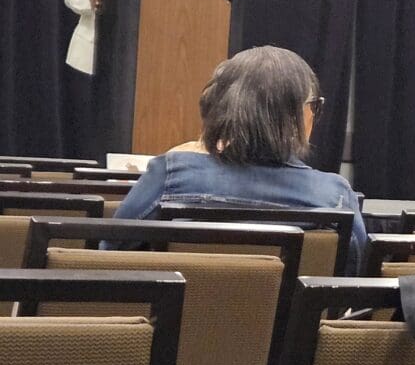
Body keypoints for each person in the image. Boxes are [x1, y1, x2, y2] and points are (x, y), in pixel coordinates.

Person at [111, 46, 366, 264]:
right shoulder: (336, 196)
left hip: (174, 322)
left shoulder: (171, 176)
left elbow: (112, 253)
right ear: (296, 115)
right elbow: (351, 280)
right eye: (315, 106)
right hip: (293, 323)